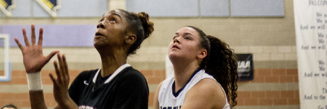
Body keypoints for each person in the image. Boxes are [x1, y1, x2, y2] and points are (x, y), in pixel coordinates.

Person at [16, 9, 154, 109]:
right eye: (101, 19)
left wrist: (66, 101)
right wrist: (33, 75)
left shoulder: (132, 81)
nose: (101, 24)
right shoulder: (84, 79)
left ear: (129, 38)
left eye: (113, 20)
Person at [153, 26, 238, 109]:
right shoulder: (163, 87)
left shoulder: (206, 86)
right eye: (175, 37)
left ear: (202, 53)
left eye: (187, 38)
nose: (176, 39)